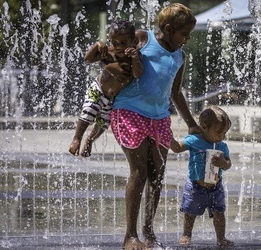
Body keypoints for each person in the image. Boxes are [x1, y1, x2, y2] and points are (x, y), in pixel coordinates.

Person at [109, 3, 201, 249]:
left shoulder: (180, 56)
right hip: (129, 111)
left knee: (157, 175)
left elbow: (176, 93)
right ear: (168, 29)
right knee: (139, 172)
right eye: (184, 34)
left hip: (159, 118)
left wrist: (191, 124)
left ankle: (148, 231)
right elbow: (113, 53)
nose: (187, 39)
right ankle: (130, 236)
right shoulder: (142, 38)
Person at [69, 20, 143, 157]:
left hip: (113, 98)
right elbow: (87, 60)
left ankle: (90, 140)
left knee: (103, 122)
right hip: (98, 89)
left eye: (124, 43)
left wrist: (134, 58)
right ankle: (77, 138)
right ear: (110, 40)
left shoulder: (135, 55)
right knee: (89, 111)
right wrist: (97, 45)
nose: (119, 47)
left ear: (133, 41)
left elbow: (138, 74)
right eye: (115, 43)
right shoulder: (108, 52)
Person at [170, 106, 234, 247]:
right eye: (219, 132)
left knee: (219, 213)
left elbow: (228, 164)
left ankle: (221, 238)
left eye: (224, 133)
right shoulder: (194, 140)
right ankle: (186, 234)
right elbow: (176, 148)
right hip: (195, 186)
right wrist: (167, 136)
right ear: (204, 127)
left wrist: (224, 163)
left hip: (216, 186)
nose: (222, 137)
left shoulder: (222, 146)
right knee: (190, 213)